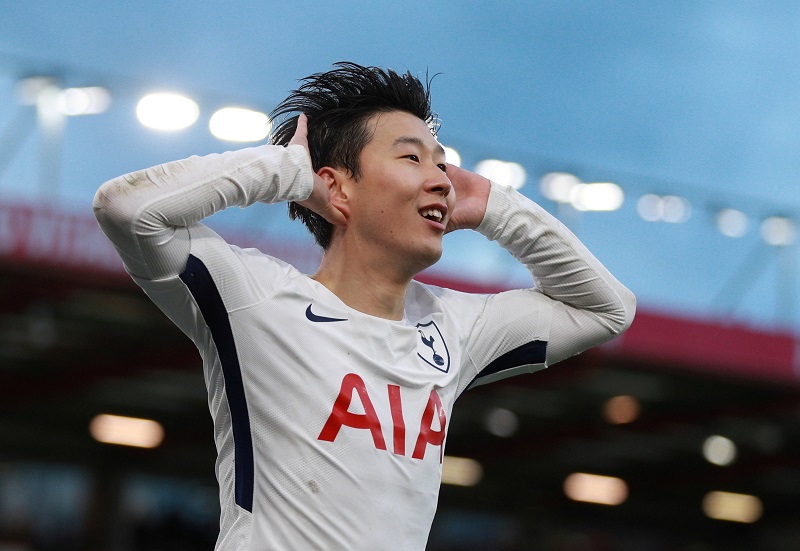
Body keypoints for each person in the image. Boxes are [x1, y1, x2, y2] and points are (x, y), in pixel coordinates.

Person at [93, 62, 635, 550]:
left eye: (443, 165)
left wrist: (501, 209)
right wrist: (282, 171)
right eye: (411, 158)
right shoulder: (258, 300)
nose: (441, 181)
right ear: (338, 189)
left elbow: (606, 309)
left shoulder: (455, 327)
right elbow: (126, 209)